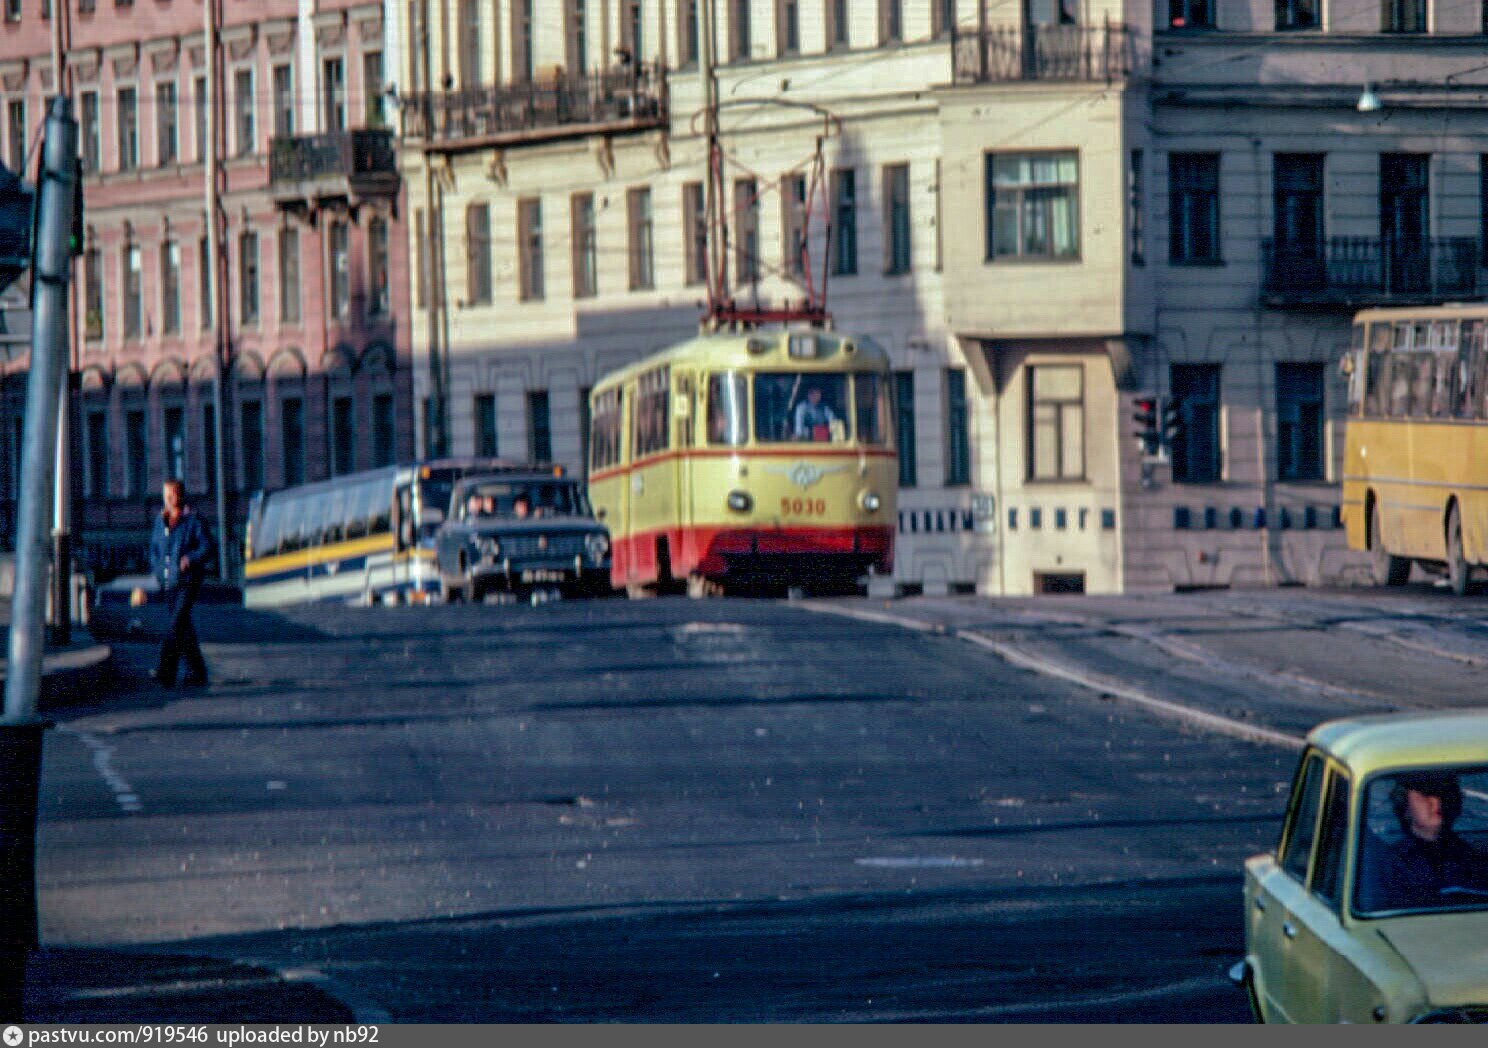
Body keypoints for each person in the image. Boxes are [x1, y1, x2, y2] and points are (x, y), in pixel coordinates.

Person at [1359, 770, 1488, 911]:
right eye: (1425, 795)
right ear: (1405, 805)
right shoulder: (1385, 864)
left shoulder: (1476, 861)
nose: (1437, 801)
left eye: (1445, 793)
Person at [149, 478, 216, 688]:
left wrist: (190, 558)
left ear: (181, 495)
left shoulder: (194, 520)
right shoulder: (160, 521)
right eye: (166, 496)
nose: (170, 500)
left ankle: (164, 671)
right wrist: (158, 570)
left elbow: (207, 546)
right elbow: (154, 550)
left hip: (188, 580)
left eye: (173, 495)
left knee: (176, 624)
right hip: (168, 582)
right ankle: (197, 671)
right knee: (184, 627)